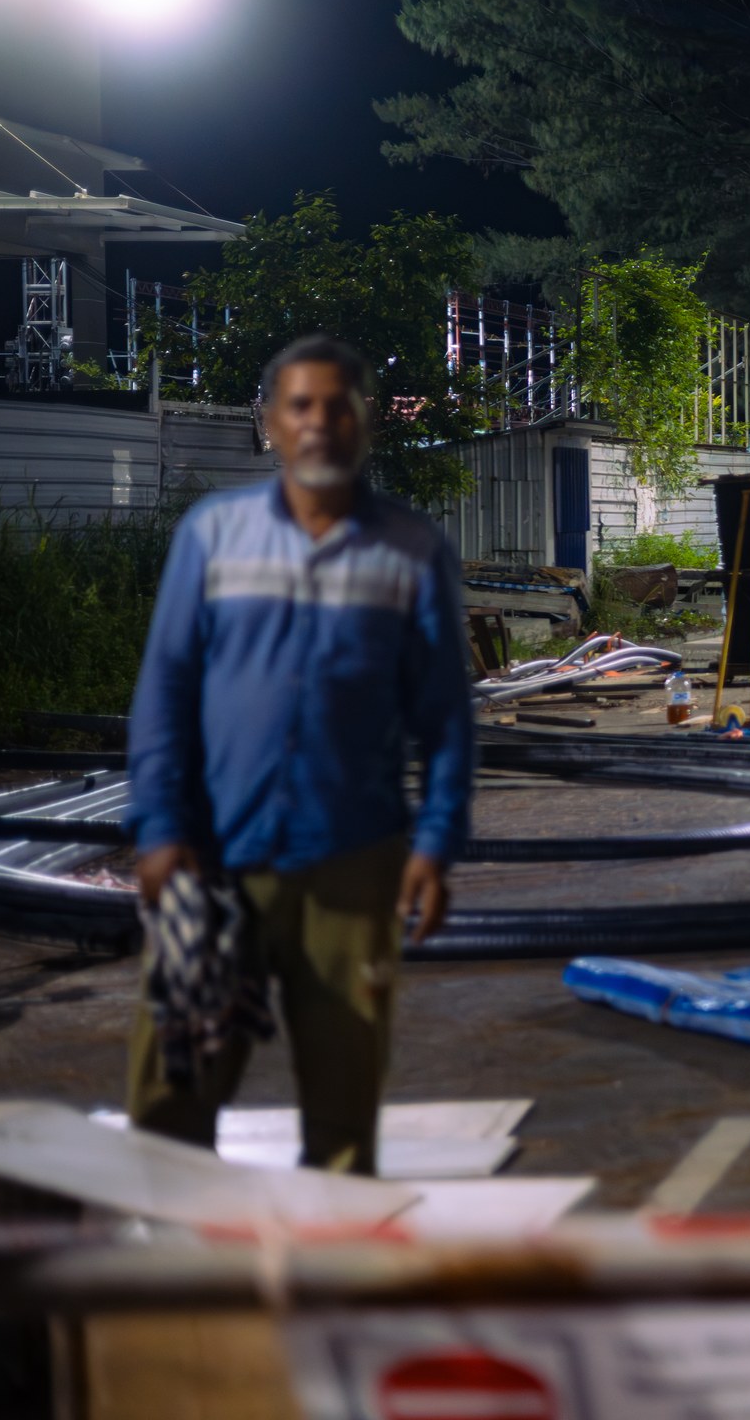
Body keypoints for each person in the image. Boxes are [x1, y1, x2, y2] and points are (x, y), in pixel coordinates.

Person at [124, 334, 473, 1175]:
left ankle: (330, 1258)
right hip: (213, 859)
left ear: (366, 422)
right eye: (300, 405)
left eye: (337, 406)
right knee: (172, 1097)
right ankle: (171, 1257)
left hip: (352, 864)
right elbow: (166, 690)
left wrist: (435, 845)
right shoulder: (214, 535)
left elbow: (446, 717)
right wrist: (159, 828)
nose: (319, 422)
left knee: (343, 1116)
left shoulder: (412, 550)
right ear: (270, 423)